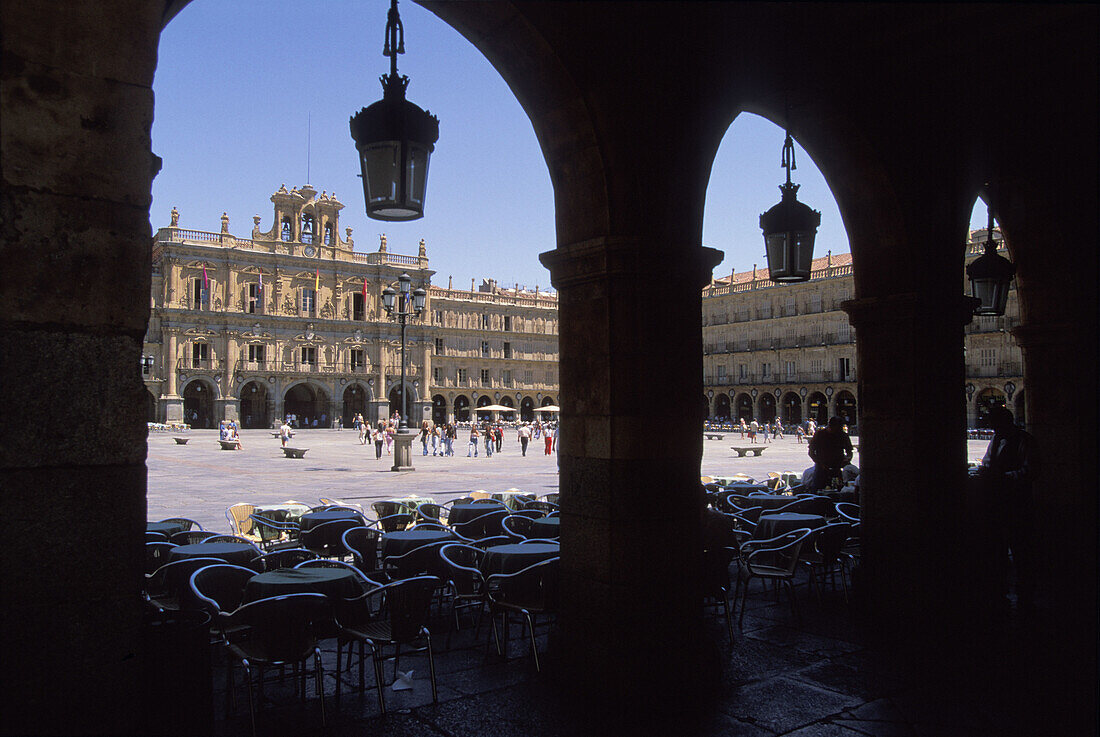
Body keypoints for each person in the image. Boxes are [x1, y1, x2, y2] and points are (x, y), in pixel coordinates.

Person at [978, 406, 1040, 607]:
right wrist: (985, 470)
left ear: (1006, 422)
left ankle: (1026, 592)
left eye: (995, 424)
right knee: (998, 549)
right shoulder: (996, 439)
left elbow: (1030, 471)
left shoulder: (1025, 440)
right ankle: (1000, 589)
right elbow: (988, 461)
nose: (993, 428)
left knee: (1022, 550)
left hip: (1018, 506)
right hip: (998, 506)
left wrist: (1003, 477)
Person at [807, 416, 854, 492]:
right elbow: (811, 452)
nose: (839, 430)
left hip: (837, 466)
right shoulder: (820, 434)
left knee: (840, 488)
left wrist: (846, 460)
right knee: (818, 488)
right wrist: (820, 463)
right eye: (838, 427)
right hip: (822, 467)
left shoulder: (843, 435)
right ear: (831, 426)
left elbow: (849, 452)